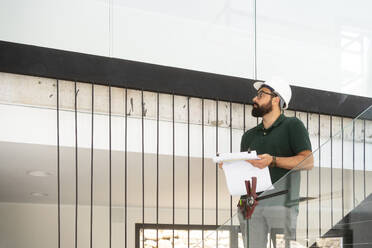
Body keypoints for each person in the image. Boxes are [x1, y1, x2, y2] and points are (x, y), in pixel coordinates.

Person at [236, 79, 313, 247]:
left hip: (280, 205)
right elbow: (246, 172)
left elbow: (308, 162)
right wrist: (231, 166)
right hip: (248, 205)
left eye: (261, 95)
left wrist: (273, 160)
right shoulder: (248, 136)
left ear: (276, 98)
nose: (254, 99)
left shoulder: (293, 125)